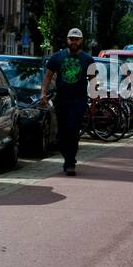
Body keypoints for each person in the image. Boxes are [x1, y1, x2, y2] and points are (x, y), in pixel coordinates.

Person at [39, 27, 95, 176]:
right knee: (61, 134)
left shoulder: (88, 60)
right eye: (71, 39)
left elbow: (93, 81)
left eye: (77, 39)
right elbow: (48, 76)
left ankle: (70, 162)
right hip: (62, 99)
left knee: (73, 130)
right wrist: (43, 93)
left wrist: (95, 99)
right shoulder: (57, 57)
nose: (74, 42)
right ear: (67, 40)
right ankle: (67, 157)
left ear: (81, 41)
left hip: (79, 99)